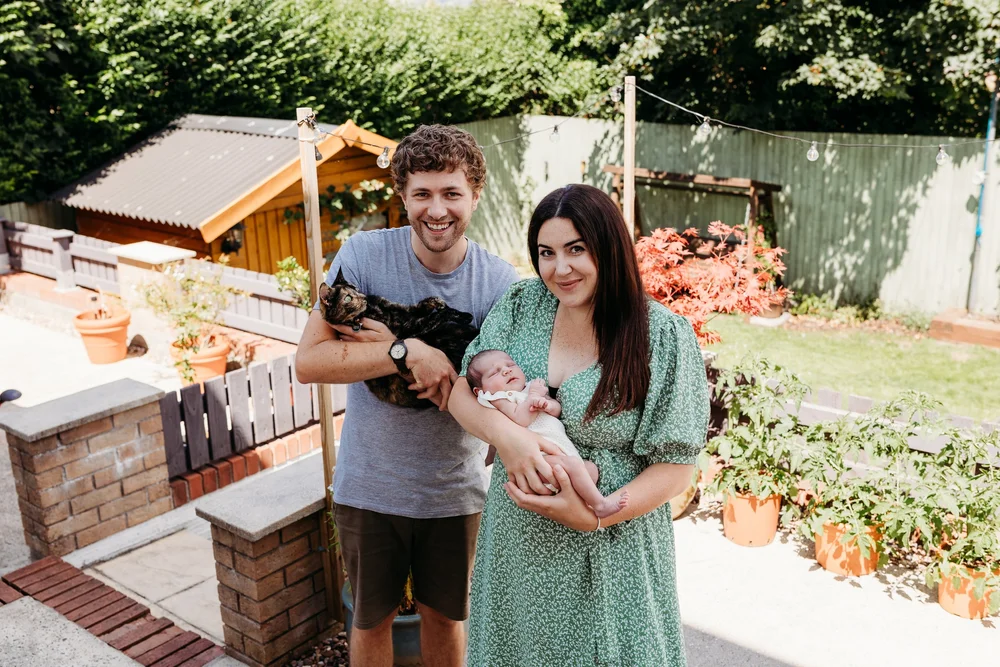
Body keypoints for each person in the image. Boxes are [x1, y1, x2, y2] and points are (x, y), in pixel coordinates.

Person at [449, 183, 710, 666]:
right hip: (519, 545)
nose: (559, 268)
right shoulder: (522, 305)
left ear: (608, 248)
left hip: (614, 546)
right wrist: (510, 439)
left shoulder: (662, 335)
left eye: (576, 249)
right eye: (546, 253)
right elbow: (460, 392)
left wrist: (595, 515)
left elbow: (676, 468)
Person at [294, 124, 518, 667]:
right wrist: (404, 351)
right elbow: (309, 362)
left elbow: (502, 392)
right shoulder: (364, 257)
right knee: (371, 621)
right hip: (370, 485)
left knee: (448, 618)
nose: (436, 210)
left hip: (454, 490)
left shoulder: (498, 283)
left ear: (475, 196)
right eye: (422, 193)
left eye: (451, 194)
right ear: (402, 195)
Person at [465, 348, 629, 518]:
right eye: (495, 373)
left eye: (510, 364)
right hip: (537, 459)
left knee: (591, 469)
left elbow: (557, 409)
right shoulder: (499, 398)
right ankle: (599, 504)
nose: (506, 370)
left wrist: (549, 405)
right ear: (480, 390)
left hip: (560, 453)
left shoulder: (529, 388)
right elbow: (520, 418)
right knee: (573, 466)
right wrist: (534, 397)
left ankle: (579, 500)